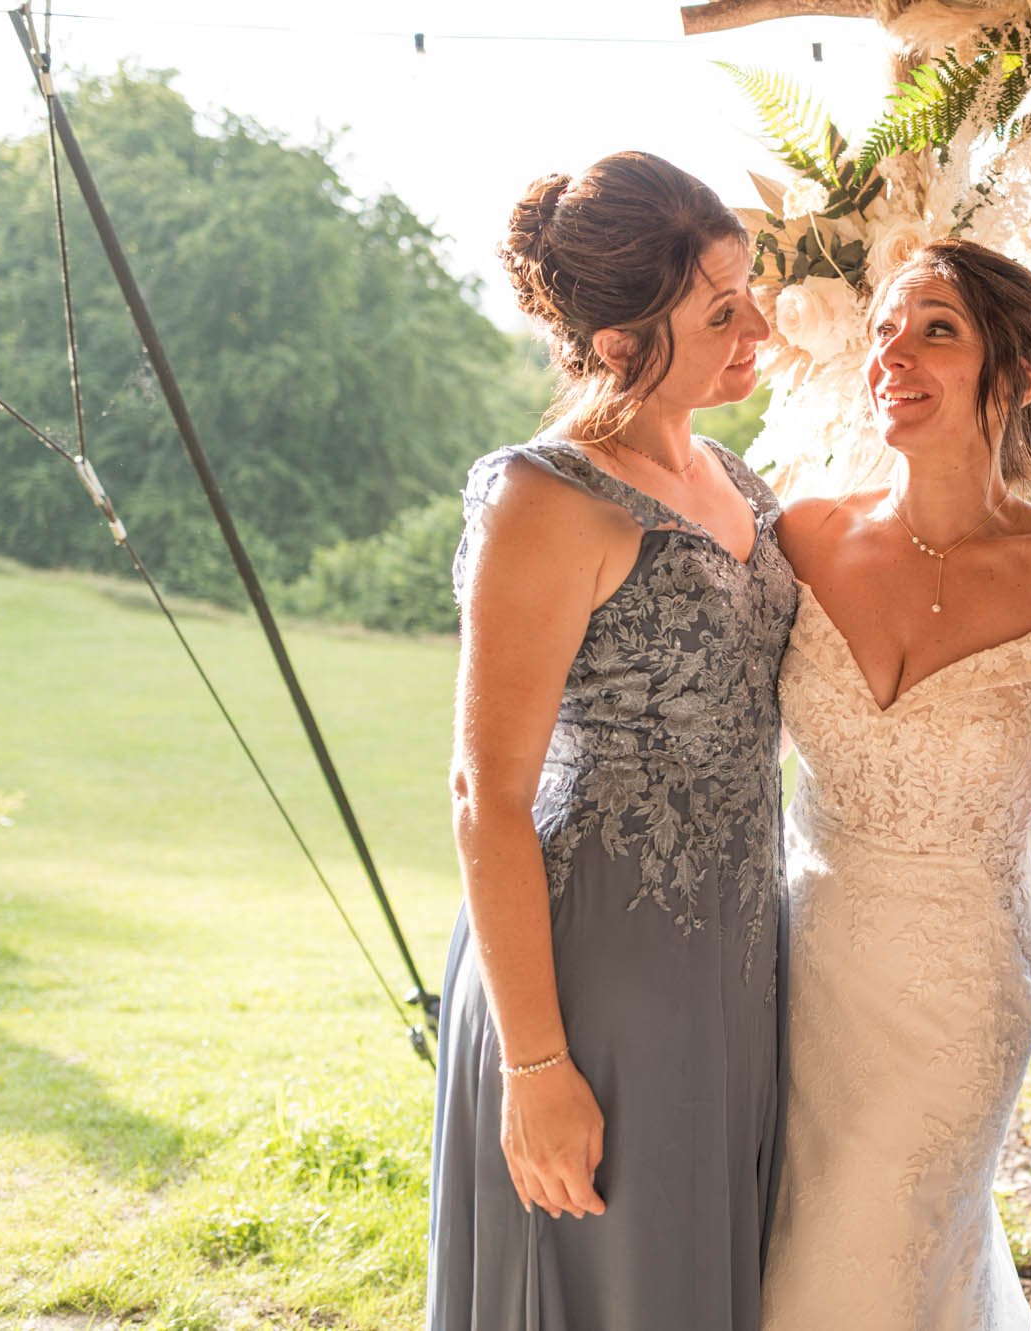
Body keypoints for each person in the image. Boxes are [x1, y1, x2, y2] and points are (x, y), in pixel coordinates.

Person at [427, 151, 797, 1331]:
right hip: (591, 967)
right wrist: (536, 1067)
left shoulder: (734, 477)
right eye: (720, 310)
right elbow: (486, 792)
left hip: (735, 953)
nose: (759, 329)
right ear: (626, 336)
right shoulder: (547, 498)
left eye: (752, 295)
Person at [761, 238, 1031, 1330]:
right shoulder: (802, 535)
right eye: (884, 325)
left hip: (959, 984)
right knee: (789, 1237)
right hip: (799, 961)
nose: (893, 351)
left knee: (878, 1252)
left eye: (936, 327)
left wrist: (1001, 809)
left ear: (1019, 376)